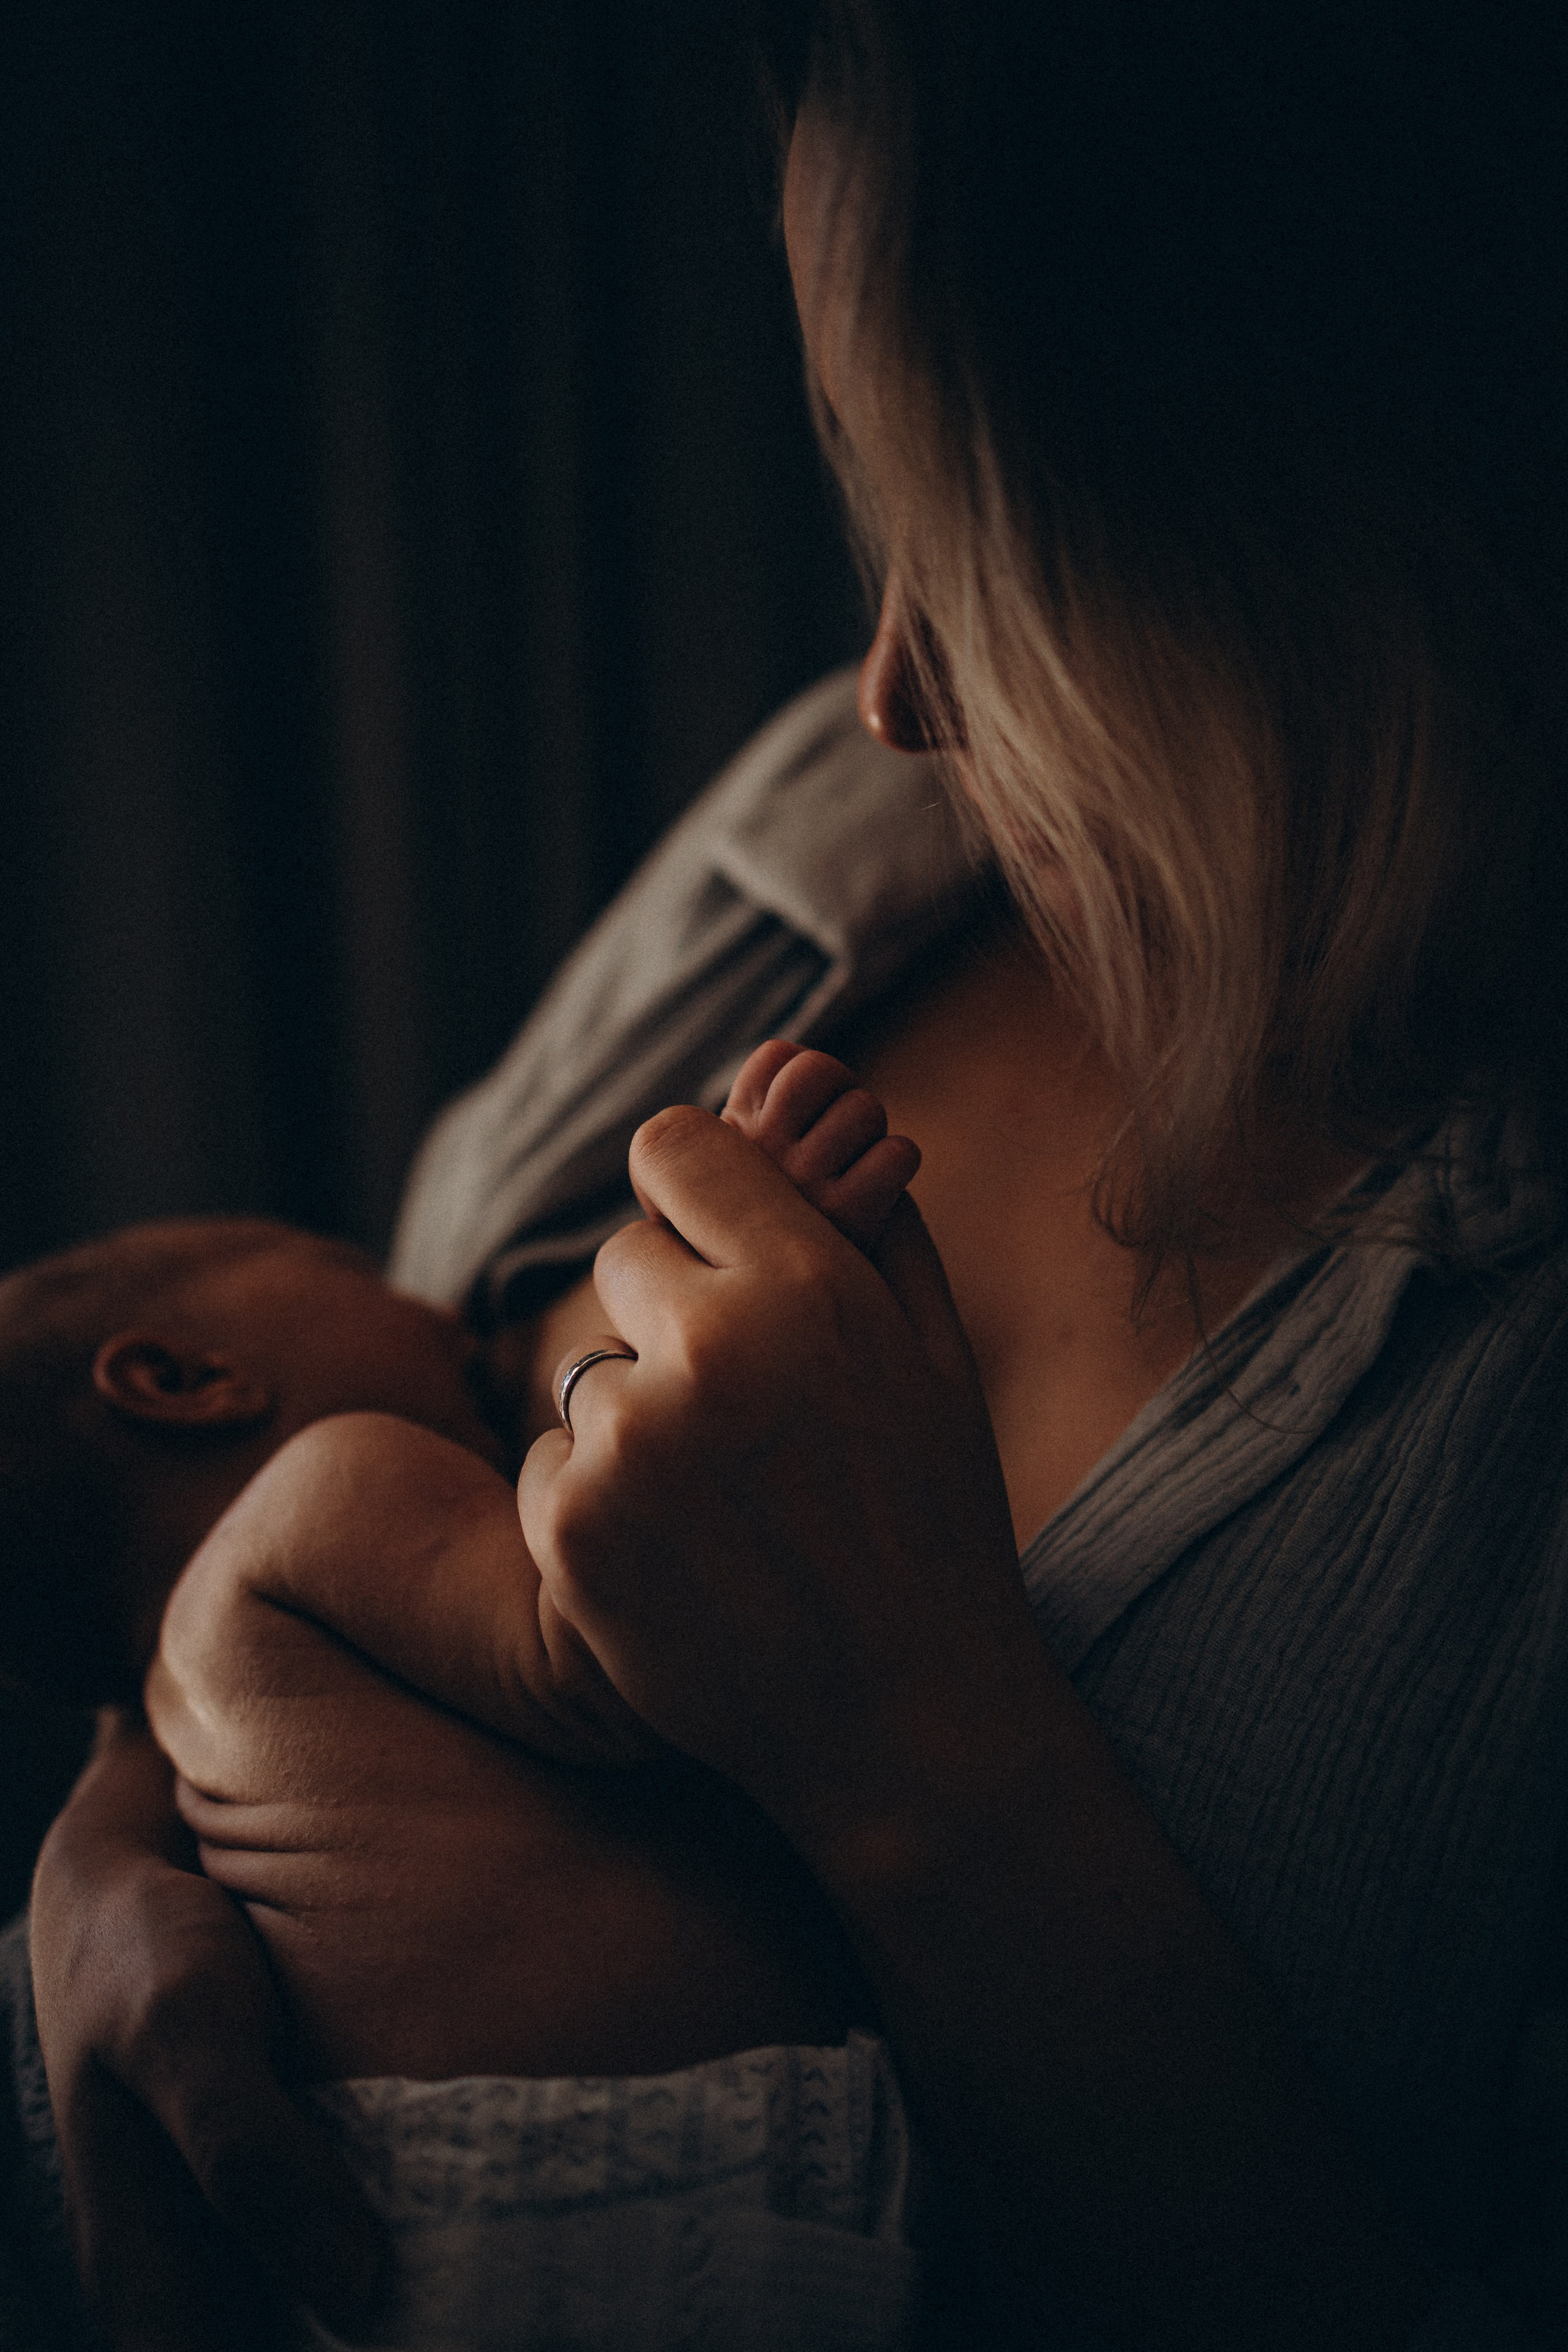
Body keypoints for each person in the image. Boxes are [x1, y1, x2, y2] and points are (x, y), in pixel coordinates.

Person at [23, 2, 1568, 2347]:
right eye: (888, 499)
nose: (896, 692)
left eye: (1019, 536)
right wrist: (132, 1826)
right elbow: (280, 1513)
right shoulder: (825, 850)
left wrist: (915, 1743)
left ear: (1370, 500)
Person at [0, 1049, 925, 2348]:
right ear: (186, 1379)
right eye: (366, 1278)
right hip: (599, 2193)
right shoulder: (329, 1483)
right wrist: (740, 1285)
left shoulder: (191, 1693)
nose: (450, 1317)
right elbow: (630, 1654)